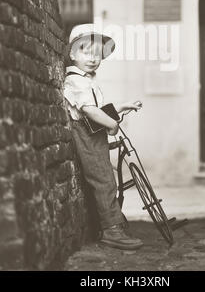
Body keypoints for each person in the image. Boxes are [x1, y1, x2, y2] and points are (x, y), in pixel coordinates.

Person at [63, 23, 143, 250]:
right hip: (87, 137)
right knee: (104, 181)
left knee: (106, 179)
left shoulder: (86, 79)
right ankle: (112, 230)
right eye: (85, 52)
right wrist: (111, 124)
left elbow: (98, 108)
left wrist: (121, 107)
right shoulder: (76, 80)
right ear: (72, 54)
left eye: (97, 54)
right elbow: (89, 111)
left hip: (93, 135)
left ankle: (113, 221)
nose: (92, 58)